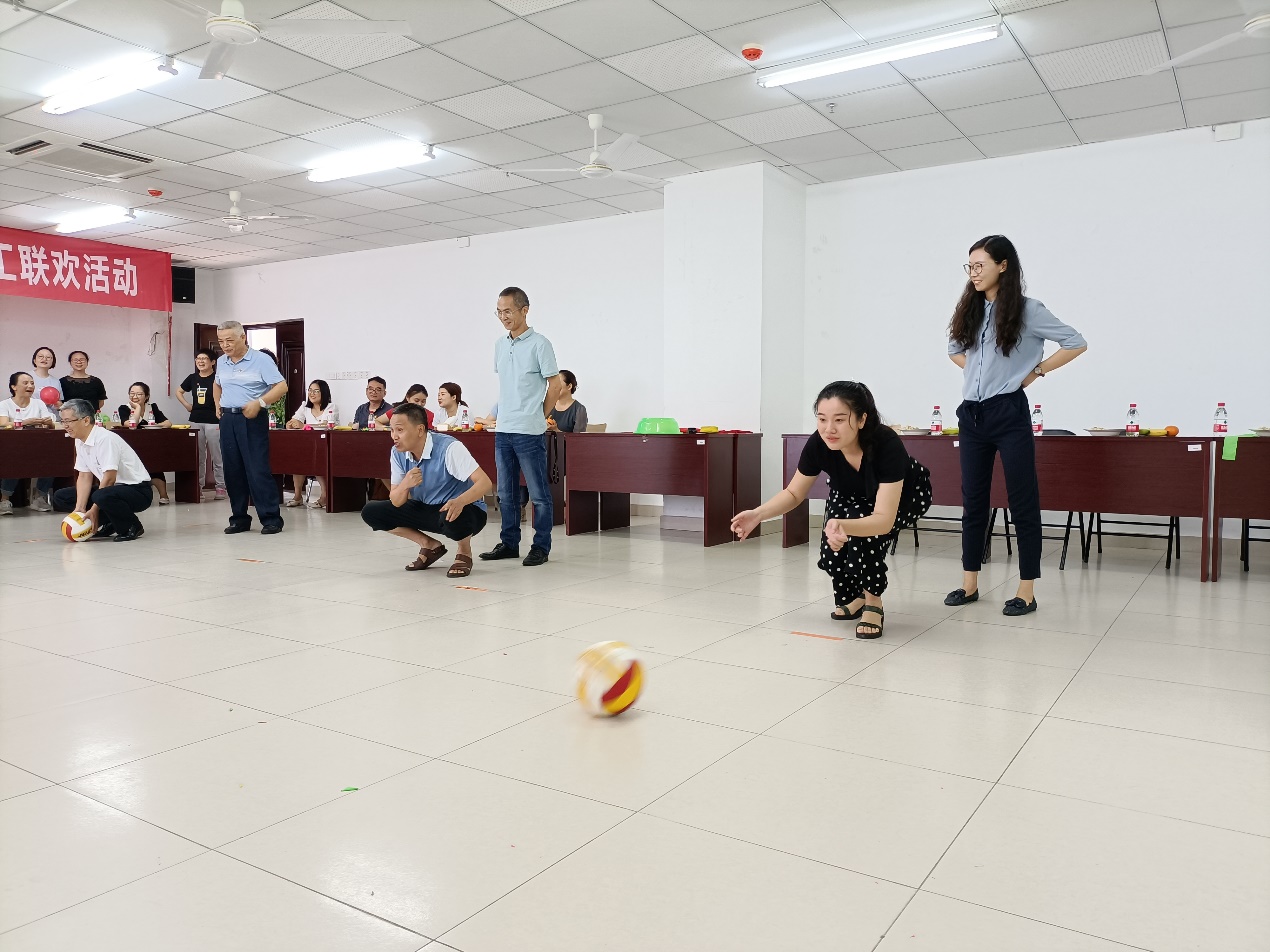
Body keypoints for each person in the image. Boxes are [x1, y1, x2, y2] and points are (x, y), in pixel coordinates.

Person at [944, 235, 1088, 616]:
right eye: (970, 267)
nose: (973, 273)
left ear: (1003, 265)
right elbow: (954, 350)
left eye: (980, 266)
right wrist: (980, 373)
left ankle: (1026, 590)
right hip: (972, 415)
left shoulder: (1028, 310)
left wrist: (1034, 372)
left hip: (1008, 413)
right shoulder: (971, 308)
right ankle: (969, 584)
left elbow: (1076, 342)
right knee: (973, 501)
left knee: (1022, 499)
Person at [732, 382, 930, 639]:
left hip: (904, 496)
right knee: (831, 547)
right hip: (848, 492)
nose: (829, 429)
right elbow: (794, 493)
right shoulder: (819, 443)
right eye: (822, 419)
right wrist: (758, 514)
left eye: (839, 419)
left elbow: (882, 520)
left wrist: (845, 525)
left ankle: (873, 602)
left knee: (861, 531)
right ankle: (857, 597)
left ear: (861, 419)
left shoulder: (886, 444)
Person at [480, 286, 564, 567]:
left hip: (529, 430)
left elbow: (555, 385)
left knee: (538, 495)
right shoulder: (500, 345)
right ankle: (509, 543)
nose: (503, 317)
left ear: (524, 310)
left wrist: (539, 414)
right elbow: (510, 386)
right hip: (503, 429)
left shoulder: (540, 344)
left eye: (508, 311)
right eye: (499, 312)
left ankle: (541, 547)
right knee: (506, 493)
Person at [361, 401, 492, 578]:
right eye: (391, 430)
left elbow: (485, 483)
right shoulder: (397, 452)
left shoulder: (449, 447)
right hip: (426, 507)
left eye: (400, 430)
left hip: (464, 509)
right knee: (371, 512)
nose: (394, 436)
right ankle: (429, 545)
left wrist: (460, 501)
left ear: (420, 430)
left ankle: (464, 551)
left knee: (452, 516)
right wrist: (405, 484)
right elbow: (396, 501)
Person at [214, 321, 288, 535]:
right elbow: (217, 384)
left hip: (251, 417)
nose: (225, 345)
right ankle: (239, 519)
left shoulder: (261, 360)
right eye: (221, 341)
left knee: (257, 469)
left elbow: (281, 386)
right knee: (232, 470)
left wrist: (260, 403)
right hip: (228, 419)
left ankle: (271, 518)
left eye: (229, 340)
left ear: (242, 337)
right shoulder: (222, 361)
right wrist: (217, 404)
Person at [52, 398, 153, 541]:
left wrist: (94, 509)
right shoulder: (79, 440)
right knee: (61, 496)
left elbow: (110, 478)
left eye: (68, 421)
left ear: (86, 420)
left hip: (138, 490)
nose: (65, 426)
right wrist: (80, 508)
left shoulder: (105, 439)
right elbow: (84, 475)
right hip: (113, 490)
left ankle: (132, 526)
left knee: (101, 496)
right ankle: (111, 520)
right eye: (63, 421)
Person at [0, 372, 56, 514]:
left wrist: (48, 422)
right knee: (13, 460)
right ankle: (4, 499)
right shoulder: (5, 404)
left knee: (52, 459)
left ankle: (39, 498)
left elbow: (50, 425)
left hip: (38, 446)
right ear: (14, 387)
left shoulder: (39, 403)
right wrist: (26, 422)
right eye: (25, 383)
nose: (30, 386)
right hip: (13, 447)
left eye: (32, 383)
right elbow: (3, 424)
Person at [177, 349, 226, 499]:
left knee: (217, 456)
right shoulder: (192, 378)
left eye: (204, 358)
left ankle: (221, 487)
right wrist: (187, 405)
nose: (200, 361)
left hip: (214, 421)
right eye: (198, 358)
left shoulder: (218, 378)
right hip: (195, 420)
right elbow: (179, 391)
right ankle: (197, 488)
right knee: (198, 456)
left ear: (213, 362)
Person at [118, 381, 173, 505]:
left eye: (139, 394)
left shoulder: (152, 407)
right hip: (131, 446)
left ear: (146, 396)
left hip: (151, 446)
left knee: (155, 464)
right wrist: (137, 408)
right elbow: (131, 425)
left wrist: (154, 426)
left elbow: (168, 423)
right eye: (132, 393)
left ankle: (163, 494)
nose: (135, 397)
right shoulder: (124, 408)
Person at [285, 379, 337, 508]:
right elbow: (294, 421)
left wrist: (303, 426)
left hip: (327, 446)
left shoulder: (331, 407)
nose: (312, 394)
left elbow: (326, 425)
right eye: (310, 390)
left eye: (316, 391)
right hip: (308, 445)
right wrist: (291, 424)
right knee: (298, 459)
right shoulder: (305, 406)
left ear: (323, 392)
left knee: (317, 459)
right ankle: (298, 496)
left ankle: (324, 496)